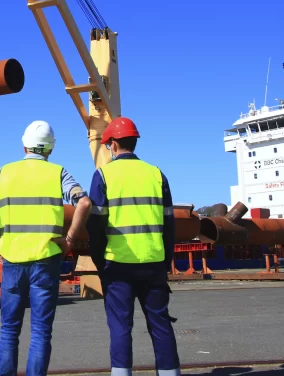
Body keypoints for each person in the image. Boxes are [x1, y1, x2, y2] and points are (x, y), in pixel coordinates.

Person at [0, 120, 92, 376]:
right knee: (41, 332)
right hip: (46, 261)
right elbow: (84, 203)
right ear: (51, 149)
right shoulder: (58, 173)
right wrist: (68, 239)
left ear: (24, 145)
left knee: (9, 329)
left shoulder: (4, 173)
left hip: (12, 260)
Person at [86, 117, 180, 376]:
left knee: (120, 327)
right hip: (153, 263)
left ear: (114, 144)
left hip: (117, 266)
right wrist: (165, 262)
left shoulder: (103, 175)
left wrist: (100, 264)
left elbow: (94, 228)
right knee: (160, 324)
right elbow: (169, 226)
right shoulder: (157, 174)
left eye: (107, 146)